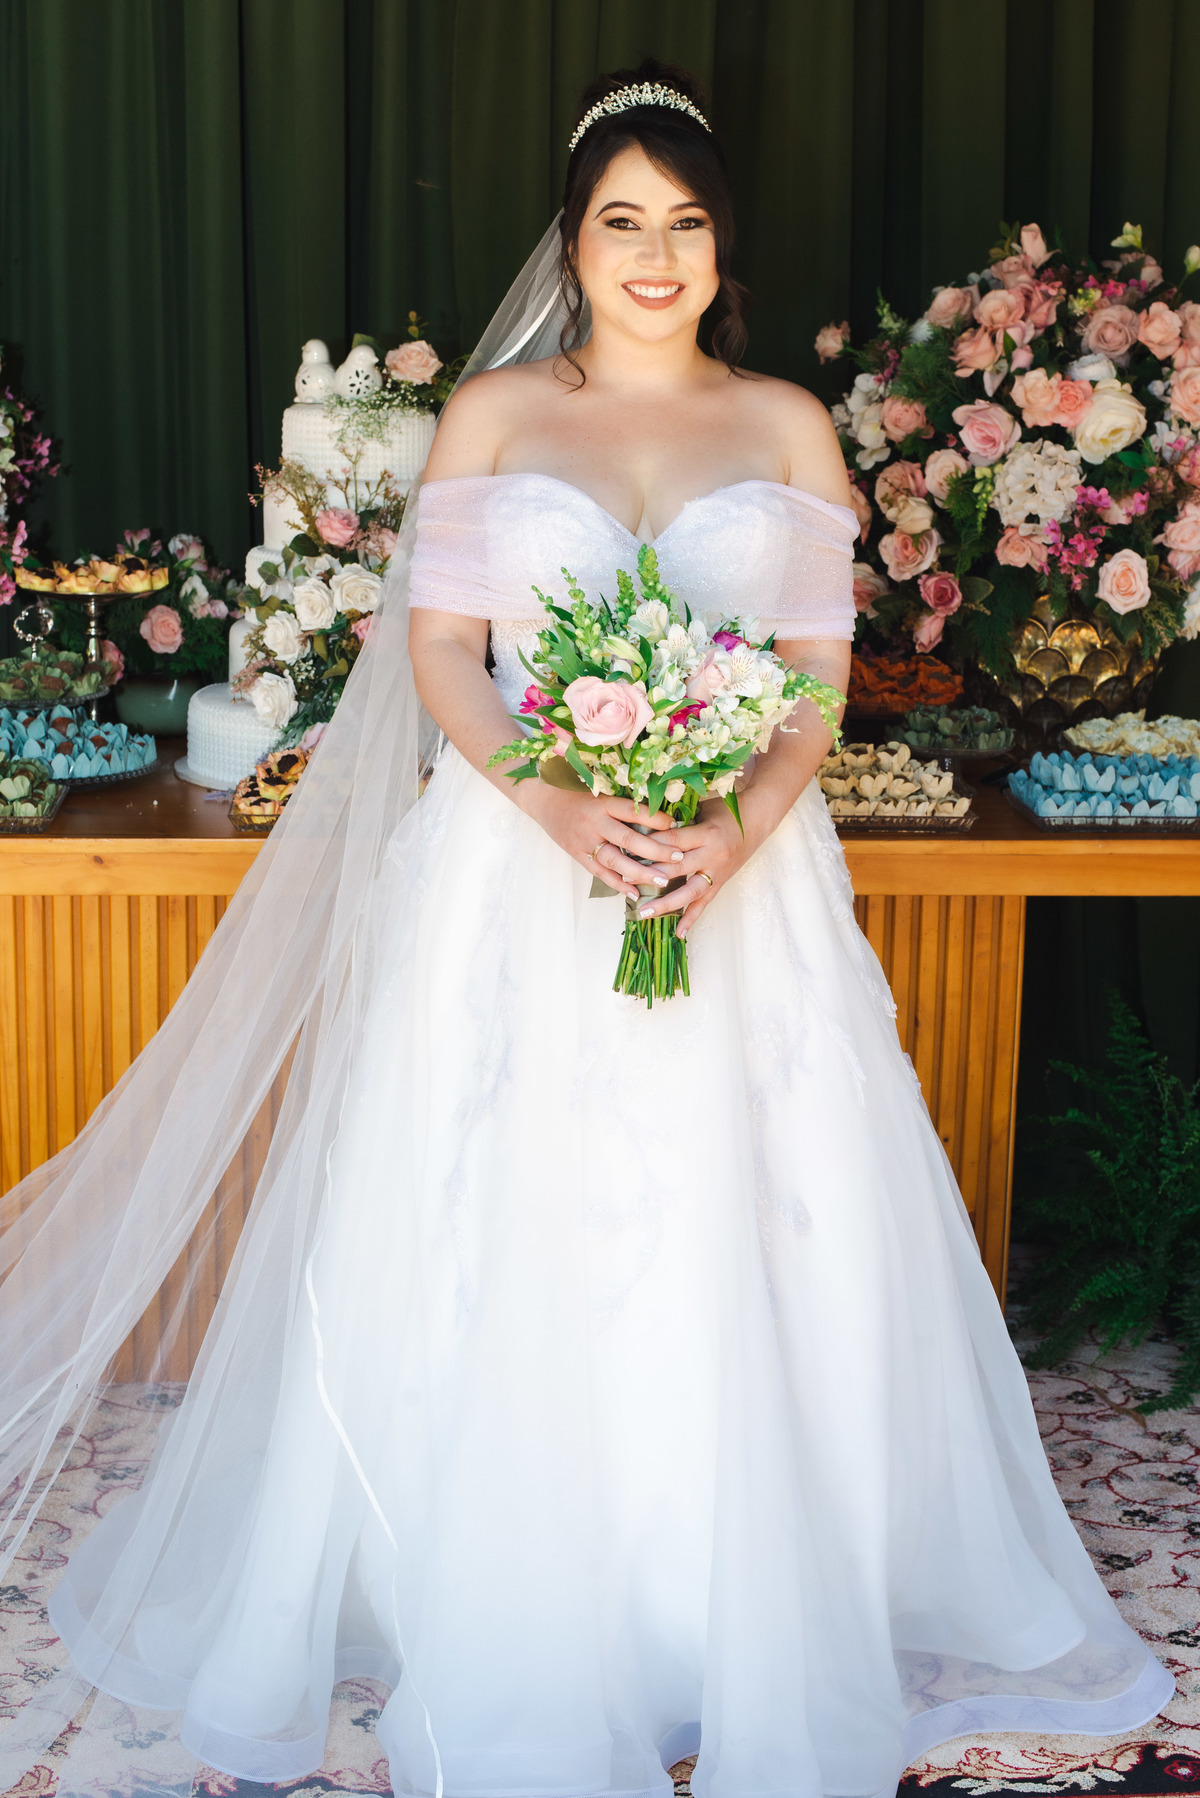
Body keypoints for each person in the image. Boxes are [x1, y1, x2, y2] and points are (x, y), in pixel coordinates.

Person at [0, 60, 1173, 1798]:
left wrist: (731, 826)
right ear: (573, 240)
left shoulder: (784, 423)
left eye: (684, 224)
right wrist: (555, 804)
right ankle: (492, 1589)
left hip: (738, 880)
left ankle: (734, 1600)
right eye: (622, 221)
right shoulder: (493, 414)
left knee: (752, 1216)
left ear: (719, 247)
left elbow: (815, 681)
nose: (654, 255)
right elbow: (444, 654)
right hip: (517, 869)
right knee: (501, 1210)